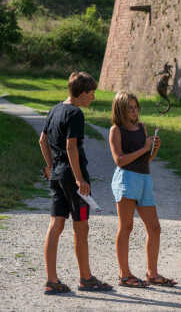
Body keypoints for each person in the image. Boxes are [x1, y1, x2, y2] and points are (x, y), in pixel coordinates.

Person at [39, 71, 113, 294]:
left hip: (58, 175)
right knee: (81, 227)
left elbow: (42, 140)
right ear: (81, 93)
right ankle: (86, 278)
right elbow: (72, 146)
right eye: (91, 93)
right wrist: (80, 179)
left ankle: (51, 280)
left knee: (55, 225)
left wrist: (51, 166)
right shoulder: (75, 114)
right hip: (73, 178)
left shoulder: (55, 109)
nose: (93, 97)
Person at [108, 92, 176, 288]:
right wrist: (144, 148)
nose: (135, 111)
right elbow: (119, 160)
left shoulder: (142, 128)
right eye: (130, 108)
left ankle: (152, 273)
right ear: (120, 110)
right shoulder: (116, 130)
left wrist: (153, 149)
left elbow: (145, 160)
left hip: (144, 179)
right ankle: (124, 275)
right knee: (126, 227)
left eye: (136, 107)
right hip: (126, 180)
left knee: (155, 228)